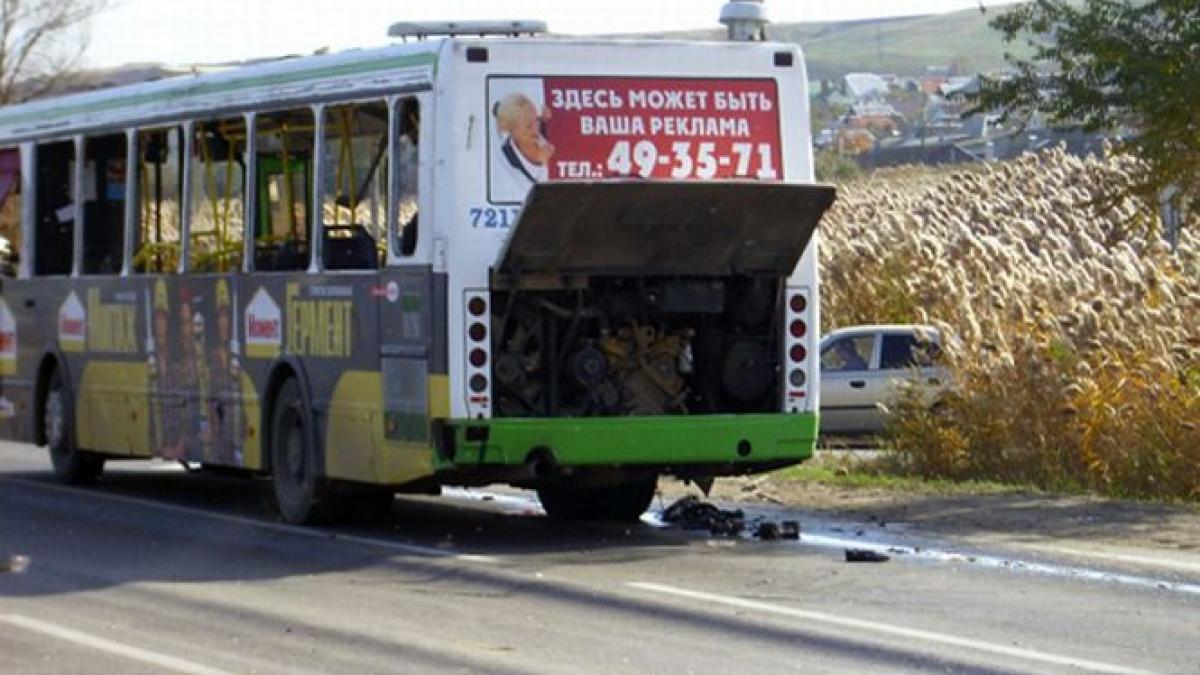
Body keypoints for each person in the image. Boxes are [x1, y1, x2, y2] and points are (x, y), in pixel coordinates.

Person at [491, 92, 554, 200]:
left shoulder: (539, 136)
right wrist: (545, 163)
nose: (536, 129)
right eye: (528, 126)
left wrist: (544, 119)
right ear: (510, 129)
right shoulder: (508, 161)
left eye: (536, 120)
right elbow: (537, 193)